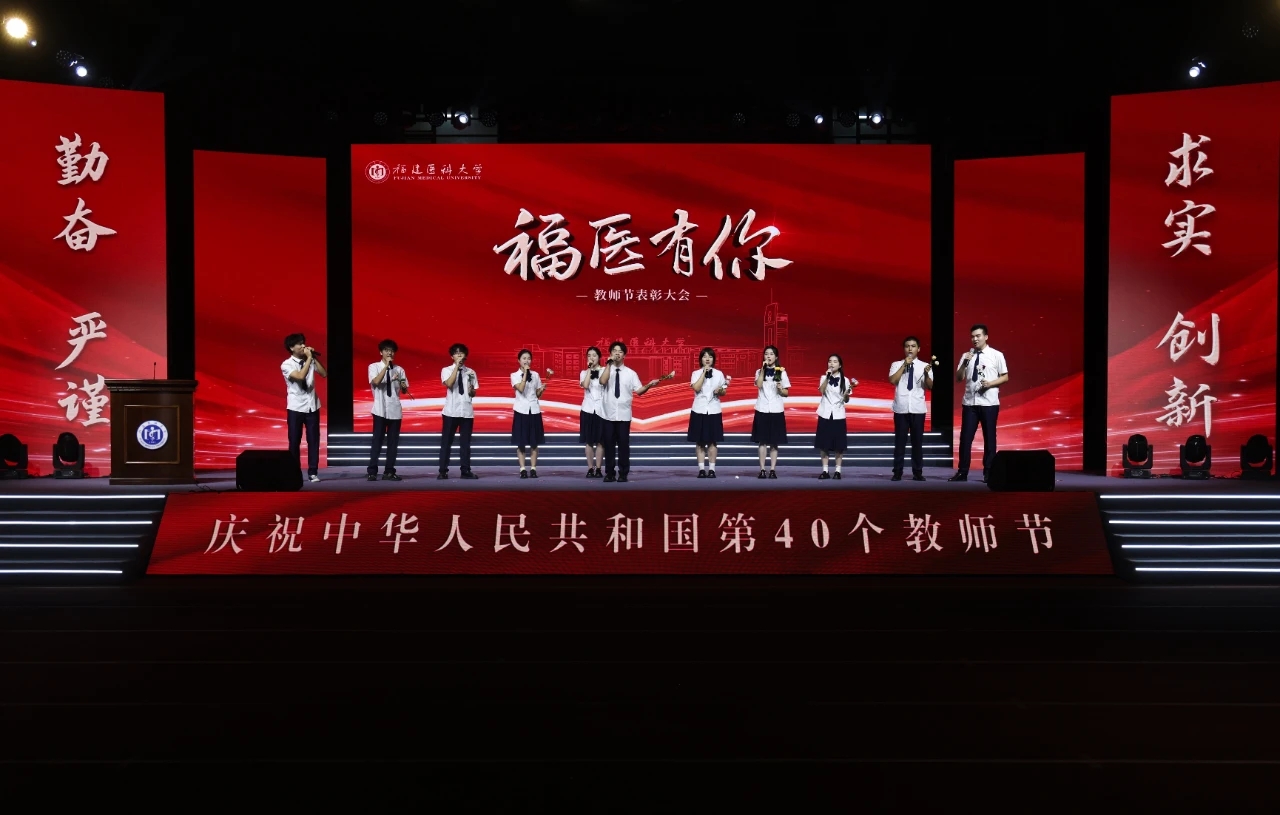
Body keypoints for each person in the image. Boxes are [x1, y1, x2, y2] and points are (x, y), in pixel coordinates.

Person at [951, 324, 1009, 483]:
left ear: (986, 337)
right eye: (972, 336)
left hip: (989, 403)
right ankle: (962, 472)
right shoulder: (966, 356)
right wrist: (965, 363)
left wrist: (990, 384)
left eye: (978, 336)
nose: (975, 339)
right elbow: (959, 378)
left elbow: (1005, 376)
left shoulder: (996, 355)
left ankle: (989, 472)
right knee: (965, 438)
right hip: (970, 403)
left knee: (989, 438)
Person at [599, 341, 662, 483]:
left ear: (624, 355)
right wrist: (608, 365)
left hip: (624, 415)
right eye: (614, 351)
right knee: (608, 445)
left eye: (620, 351)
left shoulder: (631, 373)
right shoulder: (605, 370)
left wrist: (649, 385)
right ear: (610, 354)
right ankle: (609, 473)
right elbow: (602, 381)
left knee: (623, 446)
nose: (617, 353)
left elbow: (639, 391)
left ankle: (623, 473)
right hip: (607, 415)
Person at [281, 333, 327, 483]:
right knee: (294, 441)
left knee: (313, 440)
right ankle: (294, 473)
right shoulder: (286, 364)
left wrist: (313, 358)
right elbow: (300, 376)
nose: (303, 346)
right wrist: (308, 360)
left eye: (303, 343)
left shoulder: (310, 360)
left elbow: (324, 373)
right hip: (296, 407)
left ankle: (313, 472)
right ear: (291, 348)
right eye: (299, 344)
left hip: (312, 406)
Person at [889, 336, 933, 482]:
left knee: (917, 443)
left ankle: (918, 472)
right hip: (901, 408)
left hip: (917, 408)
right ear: (904, 349)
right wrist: (904, 365)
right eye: (907, 346)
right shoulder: (896, 364)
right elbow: (893, 380)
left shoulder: (925, 366)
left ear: (918, 349)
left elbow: (930, 386)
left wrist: (926, 374)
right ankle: (897, 472)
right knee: (899, 442)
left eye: (913, 346)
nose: (910, 349)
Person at [367, 339, 409, 482]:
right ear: (381, 352)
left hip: (395, 409)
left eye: (391, 351)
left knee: (393, 443)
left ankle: (389, 471)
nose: (389, 353)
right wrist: (386, 367)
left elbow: (404, 390)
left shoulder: (400, 369)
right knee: (377, 441)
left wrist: (403, 386)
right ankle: (372, 471)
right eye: (386, 350)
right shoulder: (374, 367)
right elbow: (376, 382)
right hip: (380, 410)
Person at [688, 347, 730, 478]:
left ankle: (712, 469)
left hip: (714, 410)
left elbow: (724, 391)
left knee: (713, 441)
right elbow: (696, 388)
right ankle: (701, 469)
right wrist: (703, 373)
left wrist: (720, 391)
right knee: (700, 442)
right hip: (699, 409)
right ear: (701, 359)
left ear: (713, 359)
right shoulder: (696, 373)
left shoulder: (719, 374)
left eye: (710, 356)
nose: (707, 359)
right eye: (705, 356)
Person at [439, 342, 479, 480]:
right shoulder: (446, 370)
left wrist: (471, 391)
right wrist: (457, 367)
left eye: (461, 353)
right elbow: (449, 384)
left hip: (466, 412)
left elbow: (473, 392)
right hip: (451, 411)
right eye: (456, 353)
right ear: (452, 356)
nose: (459, 355)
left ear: (465, 355)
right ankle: (443, 471)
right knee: (446, 442)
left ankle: (465, 471)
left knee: (465, 443)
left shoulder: (471, 372)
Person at [815, 354, 857, 480]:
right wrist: (827, 377)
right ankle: (825, 470)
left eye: (834, 361)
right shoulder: (824, 377)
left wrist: (846, 394)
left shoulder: (846, 380)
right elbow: (821, 391)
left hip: (838, 415)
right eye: (830, 361)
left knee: (839, 445)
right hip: (825, 413)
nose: (831, 364)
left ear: (840, 365)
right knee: (824, 444)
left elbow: (847, 399)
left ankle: (838, 471)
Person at [752, 345, 791, 479]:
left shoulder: (782, 372)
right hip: (762, 408)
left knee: (774, 442)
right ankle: (762, 469)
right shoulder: (759, 371)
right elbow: (758, 385)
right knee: (762, 441)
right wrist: (763, 369)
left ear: (776, 357)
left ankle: (773, 469)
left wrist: (780, 388)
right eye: (766, 354)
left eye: (771, 354)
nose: (768, 356)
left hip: (776, 409)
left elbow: (786, 393)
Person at [510, 349, 547, 479]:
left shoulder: (536, 375)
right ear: (519, 360)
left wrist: (541, 390)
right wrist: (525, 373)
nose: (527, 361)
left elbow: (537, 395)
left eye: (529, 358)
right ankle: (522, 469)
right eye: (524, 358)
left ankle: (533, 468)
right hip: (521, 410)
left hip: (534, 410)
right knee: (521, 442)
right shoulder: (514, 375)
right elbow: (520, 389)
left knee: (534, 442)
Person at [578, 346, 606, 478]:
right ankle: (590, 468)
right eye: (589, 355)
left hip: (602, 410)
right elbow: (585, 385)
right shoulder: (584, 373)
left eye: (594, 355)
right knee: (588, 441)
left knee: (601, 441)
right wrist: (589, 369)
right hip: (587, 409)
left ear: (599, 357)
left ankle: (599, 468)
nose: (591, 358)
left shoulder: (605, 371)